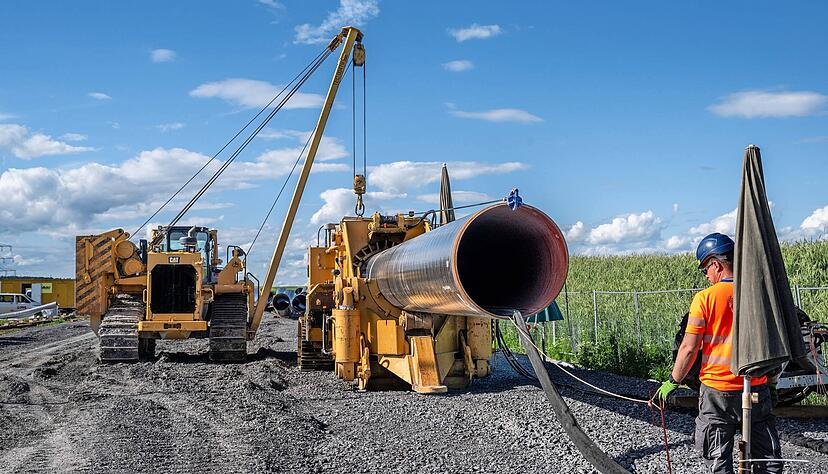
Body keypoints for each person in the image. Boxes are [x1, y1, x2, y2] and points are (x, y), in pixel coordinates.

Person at [653, 233, 783, 473]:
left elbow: (689, 347)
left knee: (718, 459)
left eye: (705, 270)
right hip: (755, 387)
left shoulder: (704, 298)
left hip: (717, 393)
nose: (706, 276)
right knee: (766, 461)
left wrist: (673, 381)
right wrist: (771, 380)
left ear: (716, 264)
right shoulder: (758, 293)